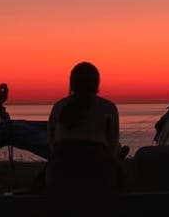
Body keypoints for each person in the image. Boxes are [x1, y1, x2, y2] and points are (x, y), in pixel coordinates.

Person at [47, 62, 124, 198]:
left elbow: (52, 143)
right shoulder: (108, 108)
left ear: (72, 82)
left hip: (60, 173)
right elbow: (112, 147)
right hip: (98, 173)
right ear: (96, 83)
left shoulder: (59, 107)